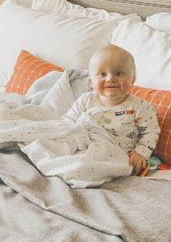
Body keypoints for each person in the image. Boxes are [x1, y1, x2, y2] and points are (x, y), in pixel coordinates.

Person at [65, 44, 160, 175]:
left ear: (132, 80)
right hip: (87, 150)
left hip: (119, 158)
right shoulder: (86, 100)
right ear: (91, 82)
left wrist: (141, 153)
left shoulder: (139, 107)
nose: (110, 78)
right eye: (102, 74)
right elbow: (68, 122)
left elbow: (151, 131)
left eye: (119, 73)